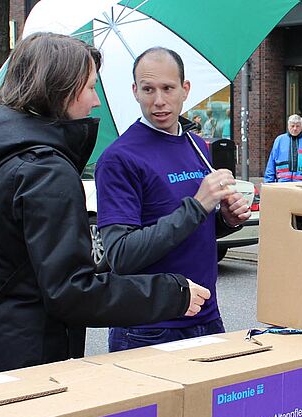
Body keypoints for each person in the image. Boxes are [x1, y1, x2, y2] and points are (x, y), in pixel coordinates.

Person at [0, 33, 209, 381]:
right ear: (61, 88)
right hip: (28, 360)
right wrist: (171, 293)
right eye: (90, 87)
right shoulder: (46, 170)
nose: (95, 101)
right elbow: (70, 291)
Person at [95, 46, 250, 351]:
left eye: (168, 88)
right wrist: (197, 205)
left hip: (206, 315)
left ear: (185, 89)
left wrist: (225, 220)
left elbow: (193, 229)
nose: (159, 101)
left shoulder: (196, 145)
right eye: (148, 89)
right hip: (148, 327)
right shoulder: (119, 158)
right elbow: (121, 255)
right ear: (135, 91)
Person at [264, 114, 302, 182]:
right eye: (292, 126)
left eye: (297, 126)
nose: (295, 128)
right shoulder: (279, 140)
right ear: (288, 126)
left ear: (301, 126)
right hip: (282, 183)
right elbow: (271, 163)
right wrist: (269, 183)